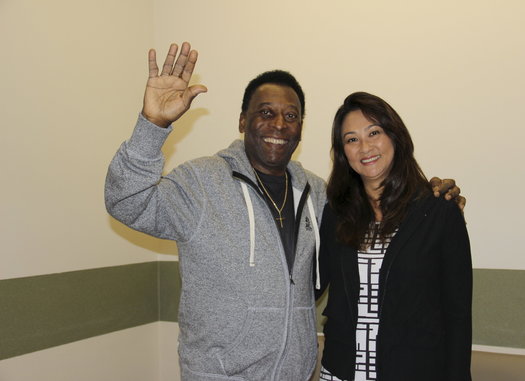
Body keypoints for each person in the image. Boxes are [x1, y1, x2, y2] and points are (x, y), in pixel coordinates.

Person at [105, 42, 464, 381]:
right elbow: (127, 203)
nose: (279, 125)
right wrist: (152, 126)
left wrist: (431, 195)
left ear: (300, 129)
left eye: (290, 116)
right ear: (243, 121)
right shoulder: (201, 183)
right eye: (266, 113)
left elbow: (378, 202)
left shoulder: (321, 195)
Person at [316, 92, 472, 381]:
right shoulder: (336, 214)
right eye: (351, 139)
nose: (365, 147)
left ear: (395, 136)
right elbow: (307, 286)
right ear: (342, 153)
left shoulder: (439, 212)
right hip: (340, 372)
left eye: (374, 132)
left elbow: (458, 317)